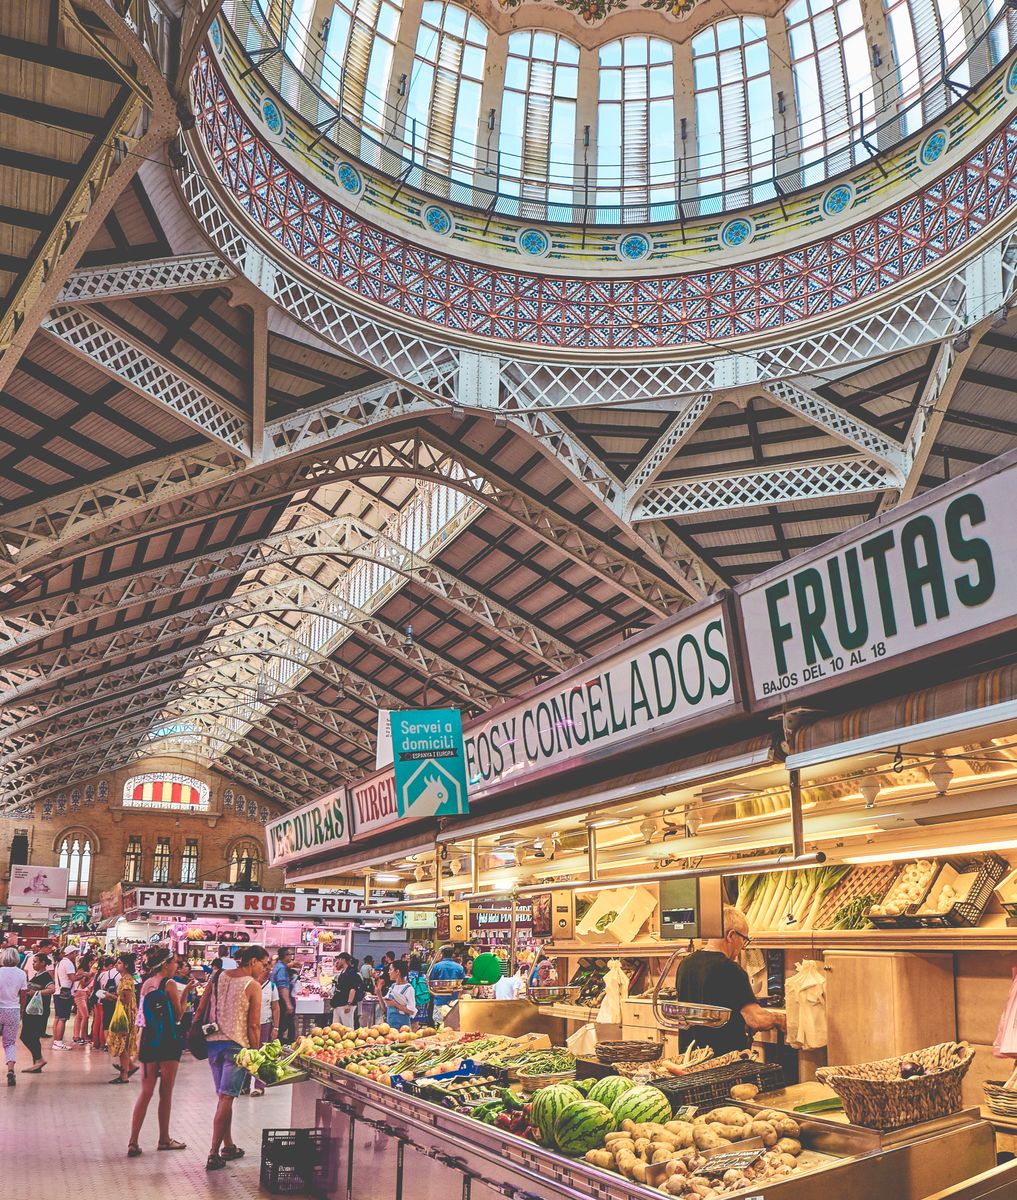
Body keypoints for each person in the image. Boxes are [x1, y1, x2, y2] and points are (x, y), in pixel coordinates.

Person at [197, 944, 271, 1170]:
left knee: (223, 1098)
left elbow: (203, 1004)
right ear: (253, 961)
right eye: (264, 964)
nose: (266, 969)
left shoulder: (218, 976)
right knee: (227, 1099)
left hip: (213, 1043)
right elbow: (254, 1025)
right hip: (236, 1047)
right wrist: (256, 1053)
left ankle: (228, 1145)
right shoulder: (253, 985)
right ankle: (212, 1153)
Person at [675, 905, 786, 1055]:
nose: (742, 947)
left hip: (689, 1059)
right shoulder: (730, 969)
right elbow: (756, 1020)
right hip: (722, 1062)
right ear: (731, 935)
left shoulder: (686, 963)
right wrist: (779, 1019)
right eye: (744, 940)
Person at [127, 948, 192, 1157]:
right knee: (166, 1093)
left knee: (146, 1092)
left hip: (148, 1040)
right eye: (174, 962)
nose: (176, 966)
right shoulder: (170, 984)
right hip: (168, 1042)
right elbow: (179, 1015)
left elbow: (142, 1016)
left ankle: (133, 1141)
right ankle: (164, 1139)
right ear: (165, 964)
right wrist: (186, 994)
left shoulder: (146, 984)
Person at [106, 951, 140, 1084]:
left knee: (122, 1045)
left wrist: (111, 996)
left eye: (119, 963)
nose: (116, 965)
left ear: (125, 965)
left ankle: (124, 1074)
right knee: (123, 1044)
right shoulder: (126, 978)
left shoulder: (126, 980)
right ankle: (129, 1067)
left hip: (124, 1015)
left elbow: (126, 999)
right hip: (126, 1014)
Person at [20, 953, 55, 1072]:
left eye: (35, 962)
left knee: (28, 1036)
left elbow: (52, 989)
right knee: (31, 1036)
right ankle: (37, 1063)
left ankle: (39, 1060)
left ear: (43, 963)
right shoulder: (37, 975)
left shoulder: (46, 976)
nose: (33, 964)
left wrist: (36, 993)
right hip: (31, 1010)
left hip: (37, 1012)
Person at [251, 965, 280, 1097]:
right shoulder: (249, 984)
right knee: (247, 1053)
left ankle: (259, 1086)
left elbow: (275, 1008)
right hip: (248, 1024)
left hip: (264, 1024)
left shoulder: (271, 986)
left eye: (269, 970)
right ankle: (244, 1085)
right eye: (265, 970)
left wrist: (276, 1027)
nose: (267, 972)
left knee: (262, 1055)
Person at [0, 946, 28, 1086]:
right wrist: (22, 1010)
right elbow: (23, 994)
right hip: (13, 1010)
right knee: (9, 1042)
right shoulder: (22, 974)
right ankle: (10, 1069)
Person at [51, 945, 77, 1049]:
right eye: (75, 953)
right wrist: (84, 974)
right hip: (65, 994)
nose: (76, 955)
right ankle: (58, 1042)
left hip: (58, 992)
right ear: (70, 953)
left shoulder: (60, 963)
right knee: (63, 1018)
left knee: (58, 1017)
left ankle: (56, 1041)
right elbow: (72, 978)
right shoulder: (68, 963)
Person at [93, 955, 119, 1050]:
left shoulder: (102, 974)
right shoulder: (120, 975)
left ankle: (102, 1043)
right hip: (115, 1000)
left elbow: (98, 987)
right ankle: (109, 1043)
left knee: (102, 1022)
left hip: (103, 1000)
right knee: (113, 1022)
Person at [329, 953, 361, 1030]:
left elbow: (353, 989)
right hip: (338, 1004)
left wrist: (348, 1004)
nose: (337, 962)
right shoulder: (343, 972)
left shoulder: (351, 973)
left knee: (348, 1028)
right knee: (335, 1029)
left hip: (345, 1005)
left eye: (338, 959)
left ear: (343, 960)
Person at [383, 961, 416, 1032]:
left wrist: (395, 1004)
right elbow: (385, 1007)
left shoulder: (408, 989)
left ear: (397, 971)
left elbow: (412, 1011)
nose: (389, 972)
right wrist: (378, 992)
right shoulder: (392, 987)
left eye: (390, 969)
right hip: (390, 1027)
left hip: (403, 1028)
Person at [72, 950, 96, 1045]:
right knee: (85, 1016)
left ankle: (76, 1035)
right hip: (80, 993)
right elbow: (83, 985)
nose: (93, 963)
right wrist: (92, 978)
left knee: (79, 1016)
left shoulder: (87, 970)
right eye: (92, 961)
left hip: (84, 994)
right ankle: (83, 1036)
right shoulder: (82, 971)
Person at [272, 949, 295, 1043]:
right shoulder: (281, 968)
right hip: (282, 1000)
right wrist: (288, 1004)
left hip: (278, 999)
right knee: (284, 1025)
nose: (291, 956)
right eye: (290, 954)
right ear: (285, 956)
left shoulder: (279, 965)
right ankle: (283, 1045)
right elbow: (282, 987)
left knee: (285, 1024)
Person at [406, 954, 430, 1027]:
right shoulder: (423, 976)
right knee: (418, 1023)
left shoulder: (407, 976)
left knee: (410, 1022)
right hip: (421, 1001)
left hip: (411, 1002)